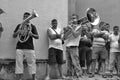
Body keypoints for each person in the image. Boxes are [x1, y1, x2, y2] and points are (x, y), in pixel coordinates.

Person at [13, 12, 39, 80]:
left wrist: (32, 34)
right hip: (19, 47)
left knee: (32, 63)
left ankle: (34, 78)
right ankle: (20, 78)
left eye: (28, 16)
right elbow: (14, 35)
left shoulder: (32, 26)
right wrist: (17, 32)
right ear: (23, 17)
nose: (26, 17)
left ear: (30, 18)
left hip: (29, 47)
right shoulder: (19, 25)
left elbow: (37, 36)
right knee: (19, 63)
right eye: (25, 16)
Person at [63, 14, 82, 79]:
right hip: (68, 47)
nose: (73, 20)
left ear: (77, 19)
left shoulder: (79, 27)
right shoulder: (70, 27)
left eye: (74, 18)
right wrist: (66, 30)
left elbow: (76, 35)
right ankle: (69, 76)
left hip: (74, 47)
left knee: (76, 63)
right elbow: (64, 38)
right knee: (68, 63)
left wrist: (71, 28)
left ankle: (79, 76)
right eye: (72, 18)